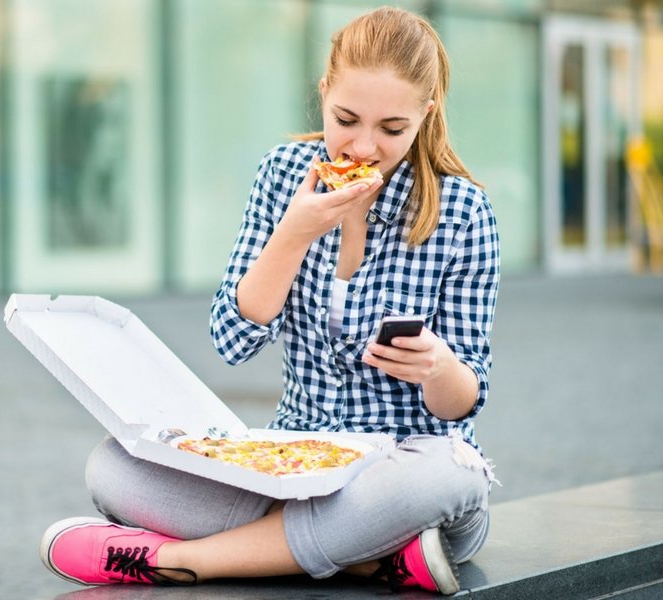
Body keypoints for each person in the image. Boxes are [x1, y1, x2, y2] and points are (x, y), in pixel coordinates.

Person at [39, 6, 500, 595]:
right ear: (324, 92)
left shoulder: (463, 211)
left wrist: (437, 366)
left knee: (453, 477)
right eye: (346, 119)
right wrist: (294, 234)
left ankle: (183, 560)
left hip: (402, 470)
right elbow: (232, 340)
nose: (363, 146)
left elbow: (461, 407)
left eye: (392, 129)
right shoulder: (282, 175)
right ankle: (369, 558)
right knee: (114, 465)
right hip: (294, 467)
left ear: (425, 116)